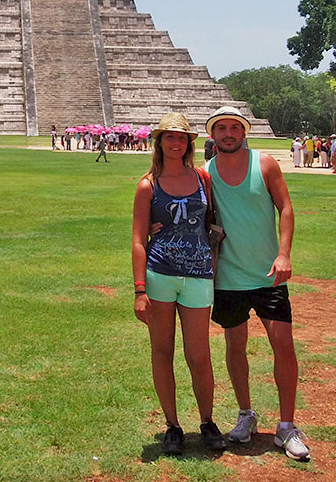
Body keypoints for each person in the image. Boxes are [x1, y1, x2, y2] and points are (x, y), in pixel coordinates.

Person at [203, 106, 309, 461]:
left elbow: (287, 208)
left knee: (284, 346)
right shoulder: (205, 174)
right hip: (228, 277)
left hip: (268, 274)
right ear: (213, 135)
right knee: (236, 347)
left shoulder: (265, 165)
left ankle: (287, 425)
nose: (228, 133)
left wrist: (284, 255)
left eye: (235, 127)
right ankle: (245, 413)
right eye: (222, 128)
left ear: (244, 132)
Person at [131, 113, 226, 456]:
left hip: (198, 274)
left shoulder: (202, 178)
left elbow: (211, 221)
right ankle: (173, 425)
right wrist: (140, 290)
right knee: (162, 352)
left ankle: (207, 419)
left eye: (181, 137)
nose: (175, 143)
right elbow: (139, 240)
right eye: (169, 137)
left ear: (189, 143)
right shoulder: (148, 185)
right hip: (160, 276)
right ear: (159, 142)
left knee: (199, 355)